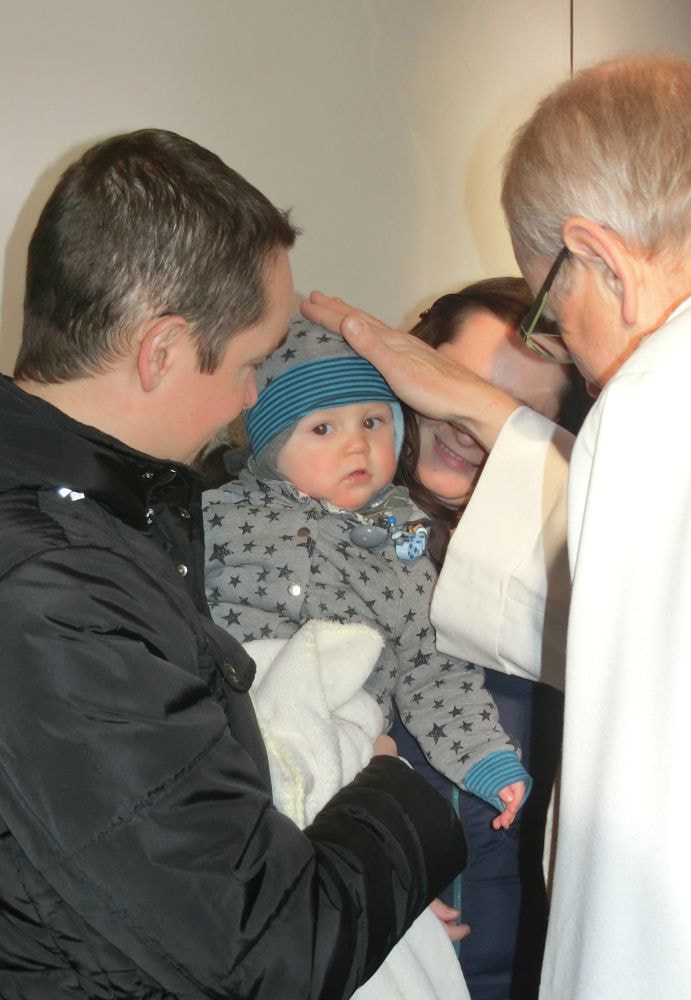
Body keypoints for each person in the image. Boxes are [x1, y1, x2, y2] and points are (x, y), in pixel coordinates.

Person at [301, 53, 691, 1000]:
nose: (581, 361)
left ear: (602, 259)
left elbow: (665, 807)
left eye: (552, 312)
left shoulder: (680, 387)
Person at [0, 128, 467, 999]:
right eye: (252, 362)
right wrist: (395, 791)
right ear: (162, 351)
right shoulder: (53, 596)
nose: (251, 397)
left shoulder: (108, 519)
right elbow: (271, 953)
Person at [203, 315, 530, 832]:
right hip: (234, 695)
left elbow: (433, 670)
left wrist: (485, 757)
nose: (357, 445)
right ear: (272, 446)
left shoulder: (406, 552)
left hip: (344, 721)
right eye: (323, 428)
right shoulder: (217, 512)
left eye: (373, 423)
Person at [390, 277, 586, 1000]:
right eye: (459, 388)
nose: (470, 431)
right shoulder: (297, 533)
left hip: (518, 957)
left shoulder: (567, 579)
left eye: (513, 417)